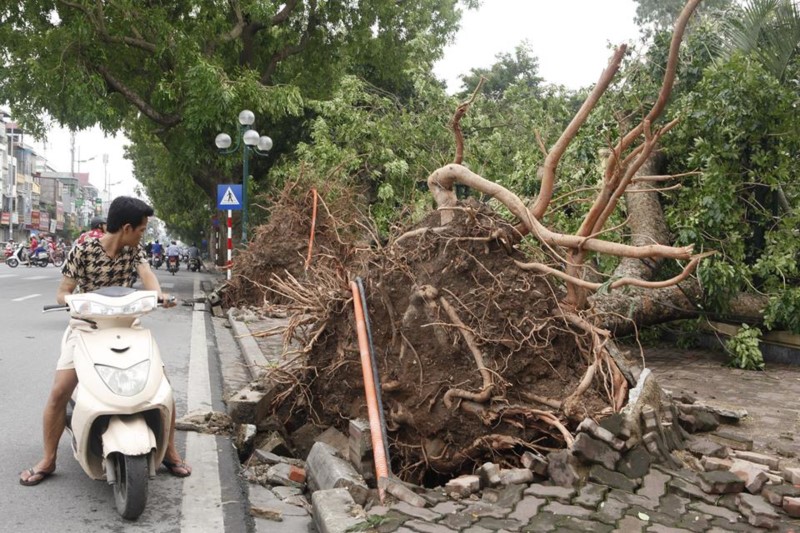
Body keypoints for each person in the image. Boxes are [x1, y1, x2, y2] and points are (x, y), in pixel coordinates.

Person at [19, 196, 192, 486]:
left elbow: (148, 276)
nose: (142, 234)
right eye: (141, 229)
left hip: (127, 324)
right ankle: (48, 459)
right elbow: (62, 294)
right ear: (126, 228)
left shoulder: (134, 252)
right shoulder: (83, 249)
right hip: (86, 328)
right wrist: (79, 302)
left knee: (164, 386)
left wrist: (159, 296)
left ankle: (170, 452)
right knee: (60, 392)